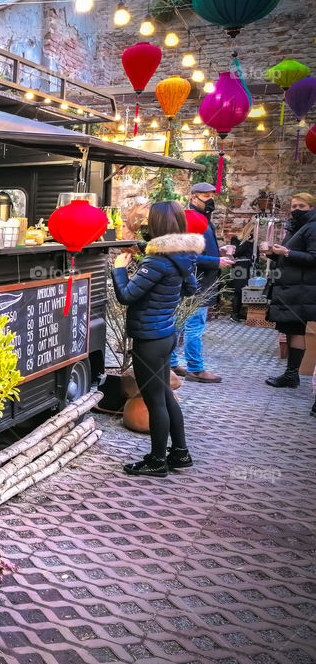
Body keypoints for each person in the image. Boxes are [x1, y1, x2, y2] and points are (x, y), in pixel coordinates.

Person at [112, 201, 204, 477]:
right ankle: (180, 453)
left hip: (149, 338)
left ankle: (156, 461)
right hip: (166, 334)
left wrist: (118, 268)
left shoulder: (158, 261)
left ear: (156, 225)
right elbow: (191, 289)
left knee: (155, 401)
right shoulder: (183, 255)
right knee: (165, 395)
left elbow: (126, 295)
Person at [169, 182, 235, 382]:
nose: (210, 199)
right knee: (193, 326)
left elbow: (201, 250)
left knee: (179, 324)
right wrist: (216, 261)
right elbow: (185, 255)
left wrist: (219, 251)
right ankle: (195, 369)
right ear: (193, 197)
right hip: (193, 282)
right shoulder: (188, 220)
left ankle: (171, 364)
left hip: (202, 282)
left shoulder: (206, 219)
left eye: (211, 195)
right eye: (205, 196)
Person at [261, 192, 316, 388]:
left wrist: (287, 252)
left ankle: (292, 375)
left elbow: (313, 258)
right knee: (293, 330)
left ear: (311, 207)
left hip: (301, 291)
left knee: (296, 330)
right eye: (293, 206)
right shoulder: (297, 228)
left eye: (301, 206)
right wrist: (274, 255)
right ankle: (291, 374)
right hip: (292, 289)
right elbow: (289, 259)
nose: (296, 210)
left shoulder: (312, 227)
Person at [229, 220, 257, 321]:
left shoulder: (253, 242)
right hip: (239, 267)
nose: (253, 234)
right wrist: (246, 241)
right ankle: (234, 313)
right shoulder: (236, 239)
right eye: (252, 231)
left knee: (244, 290)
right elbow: (236, 252)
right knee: (238, 290)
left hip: (248, 267)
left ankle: (238, 312)